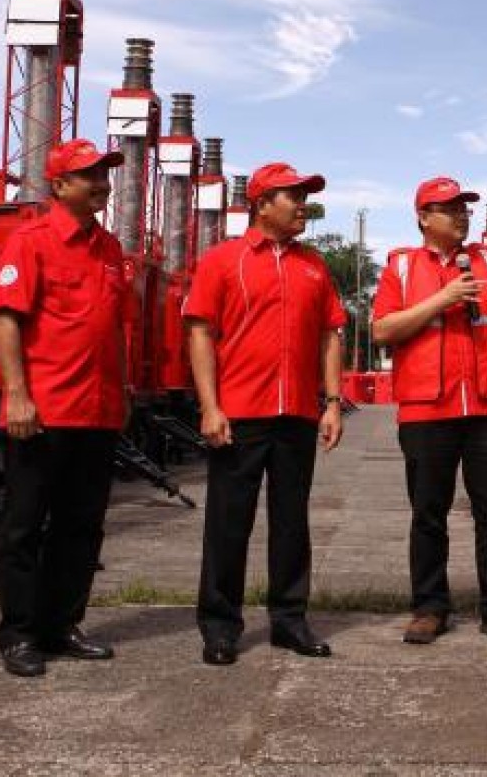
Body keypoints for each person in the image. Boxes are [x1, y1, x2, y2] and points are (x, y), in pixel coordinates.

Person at [184, 161, 346, 666]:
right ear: (260, 204)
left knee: (292, 523)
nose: (302, 204)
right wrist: (210, 407)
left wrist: (333, 402)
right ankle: (219, 625)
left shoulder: (314, 265)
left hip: (296, 413)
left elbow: (329, 335)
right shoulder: (221, 261)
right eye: (291, 195)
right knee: (229, 523)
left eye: (304, 194)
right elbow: (200, 334)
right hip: (240, 413)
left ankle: (289, 621)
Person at [372, 176, 487, 646]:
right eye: (449, 208)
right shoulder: (402, 268)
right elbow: (382, 331)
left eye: (464, 207)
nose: (461, 215)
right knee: (428, 513)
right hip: (428, 410)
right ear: (424, 217)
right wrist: (442, 300)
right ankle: (429, 607)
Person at [0, 138, 128, 677]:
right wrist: (16, 393)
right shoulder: (31, 241)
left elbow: (113, 328)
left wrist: (123, 395)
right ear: (58, 185)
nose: (102, 183)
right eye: (89, 175)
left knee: (82, 525)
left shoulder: (110, 247)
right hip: (42, 409)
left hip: (97, 409)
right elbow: (5, 318)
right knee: (24, 526)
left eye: (104, 173)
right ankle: (18, 633)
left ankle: (62, 624)